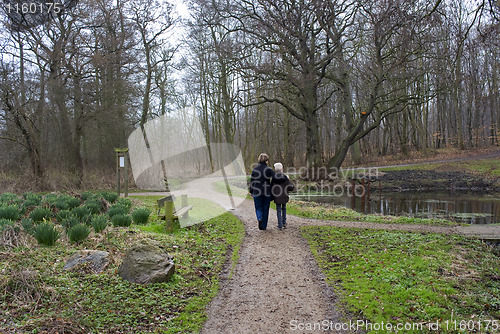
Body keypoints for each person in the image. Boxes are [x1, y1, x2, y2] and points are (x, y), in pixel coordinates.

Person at [249, 153, 275, 230]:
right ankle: (263, 226)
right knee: (265, 208)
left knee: (258, 208)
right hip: (266, 191)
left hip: (257, 191)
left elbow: (252, 181)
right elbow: (275, 178)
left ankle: (259, 217)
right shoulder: (269, 169)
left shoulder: (255, 169)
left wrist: (251, 191)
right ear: (266, 161)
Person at [271, 162, 294, 230]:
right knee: (284, 208)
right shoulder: (285, 178)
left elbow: (271, 187)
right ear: (281, 169)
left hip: (277, 196)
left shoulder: (273, 178)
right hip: (284, 196)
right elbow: (290, 187)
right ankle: (284, 223)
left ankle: (280, 225)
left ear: (275, 169)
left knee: (278, 210)